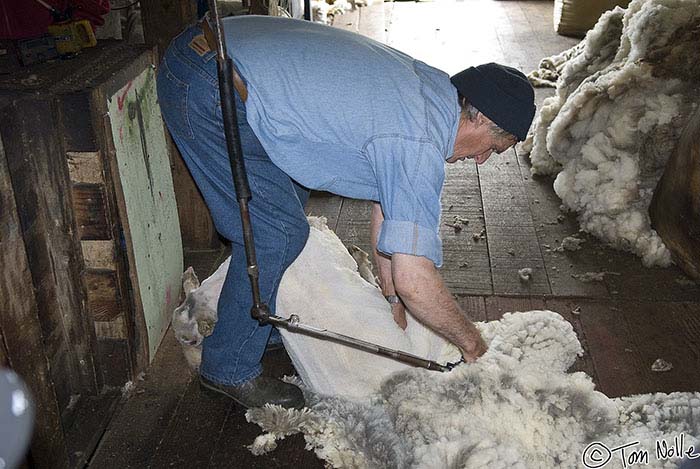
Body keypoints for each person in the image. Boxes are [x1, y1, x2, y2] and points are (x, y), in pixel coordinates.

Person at [156, 14, 535, 410]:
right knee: (276, 233)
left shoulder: (435, 97)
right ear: (480, 117)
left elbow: (390, 217)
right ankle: (226, 368)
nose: (481, 161)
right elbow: (414, 276)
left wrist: (394, 304)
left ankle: (252, 320)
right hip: (209, 80)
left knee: (281, 211)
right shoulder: (416, 139)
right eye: (493, 148)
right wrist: (474, 346)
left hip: (224, 60)